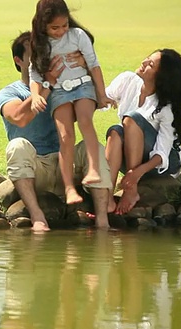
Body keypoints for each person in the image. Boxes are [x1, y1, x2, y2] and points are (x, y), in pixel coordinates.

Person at [0, 31, 112, 231]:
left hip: (63, 164)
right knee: (17, 146)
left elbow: (93, 106)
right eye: (35, 54)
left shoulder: (64, 88)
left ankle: (103, 219)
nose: (43, 58)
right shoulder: (9, 93)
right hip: (36, 170)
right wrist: (47, 84)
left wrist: (83, 66)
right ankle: (37, 215)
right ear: (19, 60)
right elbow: (19, 118)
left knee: (92, 148)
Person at [28, 0, 114, 205]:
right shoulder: (40, 44)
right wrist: (36, 96)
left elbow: (94, 65)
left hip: (83, 85)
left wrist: (101, 94)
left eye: (64, 25)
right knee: (65, 136)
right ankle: (69, 189)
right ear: (42, 25)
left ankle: (93, 169)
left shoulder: (78, 36)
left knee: (85, 121)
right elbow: (34, 74)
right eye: (54, 27)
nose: (60, 31)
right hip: (59, 91)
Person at [104, 49, 181, 214]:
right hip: (133, 155)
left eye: (150, 64)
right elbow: (101, 98)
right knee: (115, 132)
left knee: (131, 119)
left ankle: (131, 191)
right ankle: (106, 198)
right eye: (147, 58)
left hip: (162, 163)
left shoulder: (167, 107)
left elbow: (162, 152)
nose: (144, 63)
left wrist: (135, 174)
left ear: (160, 77)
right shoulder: (127, 80)